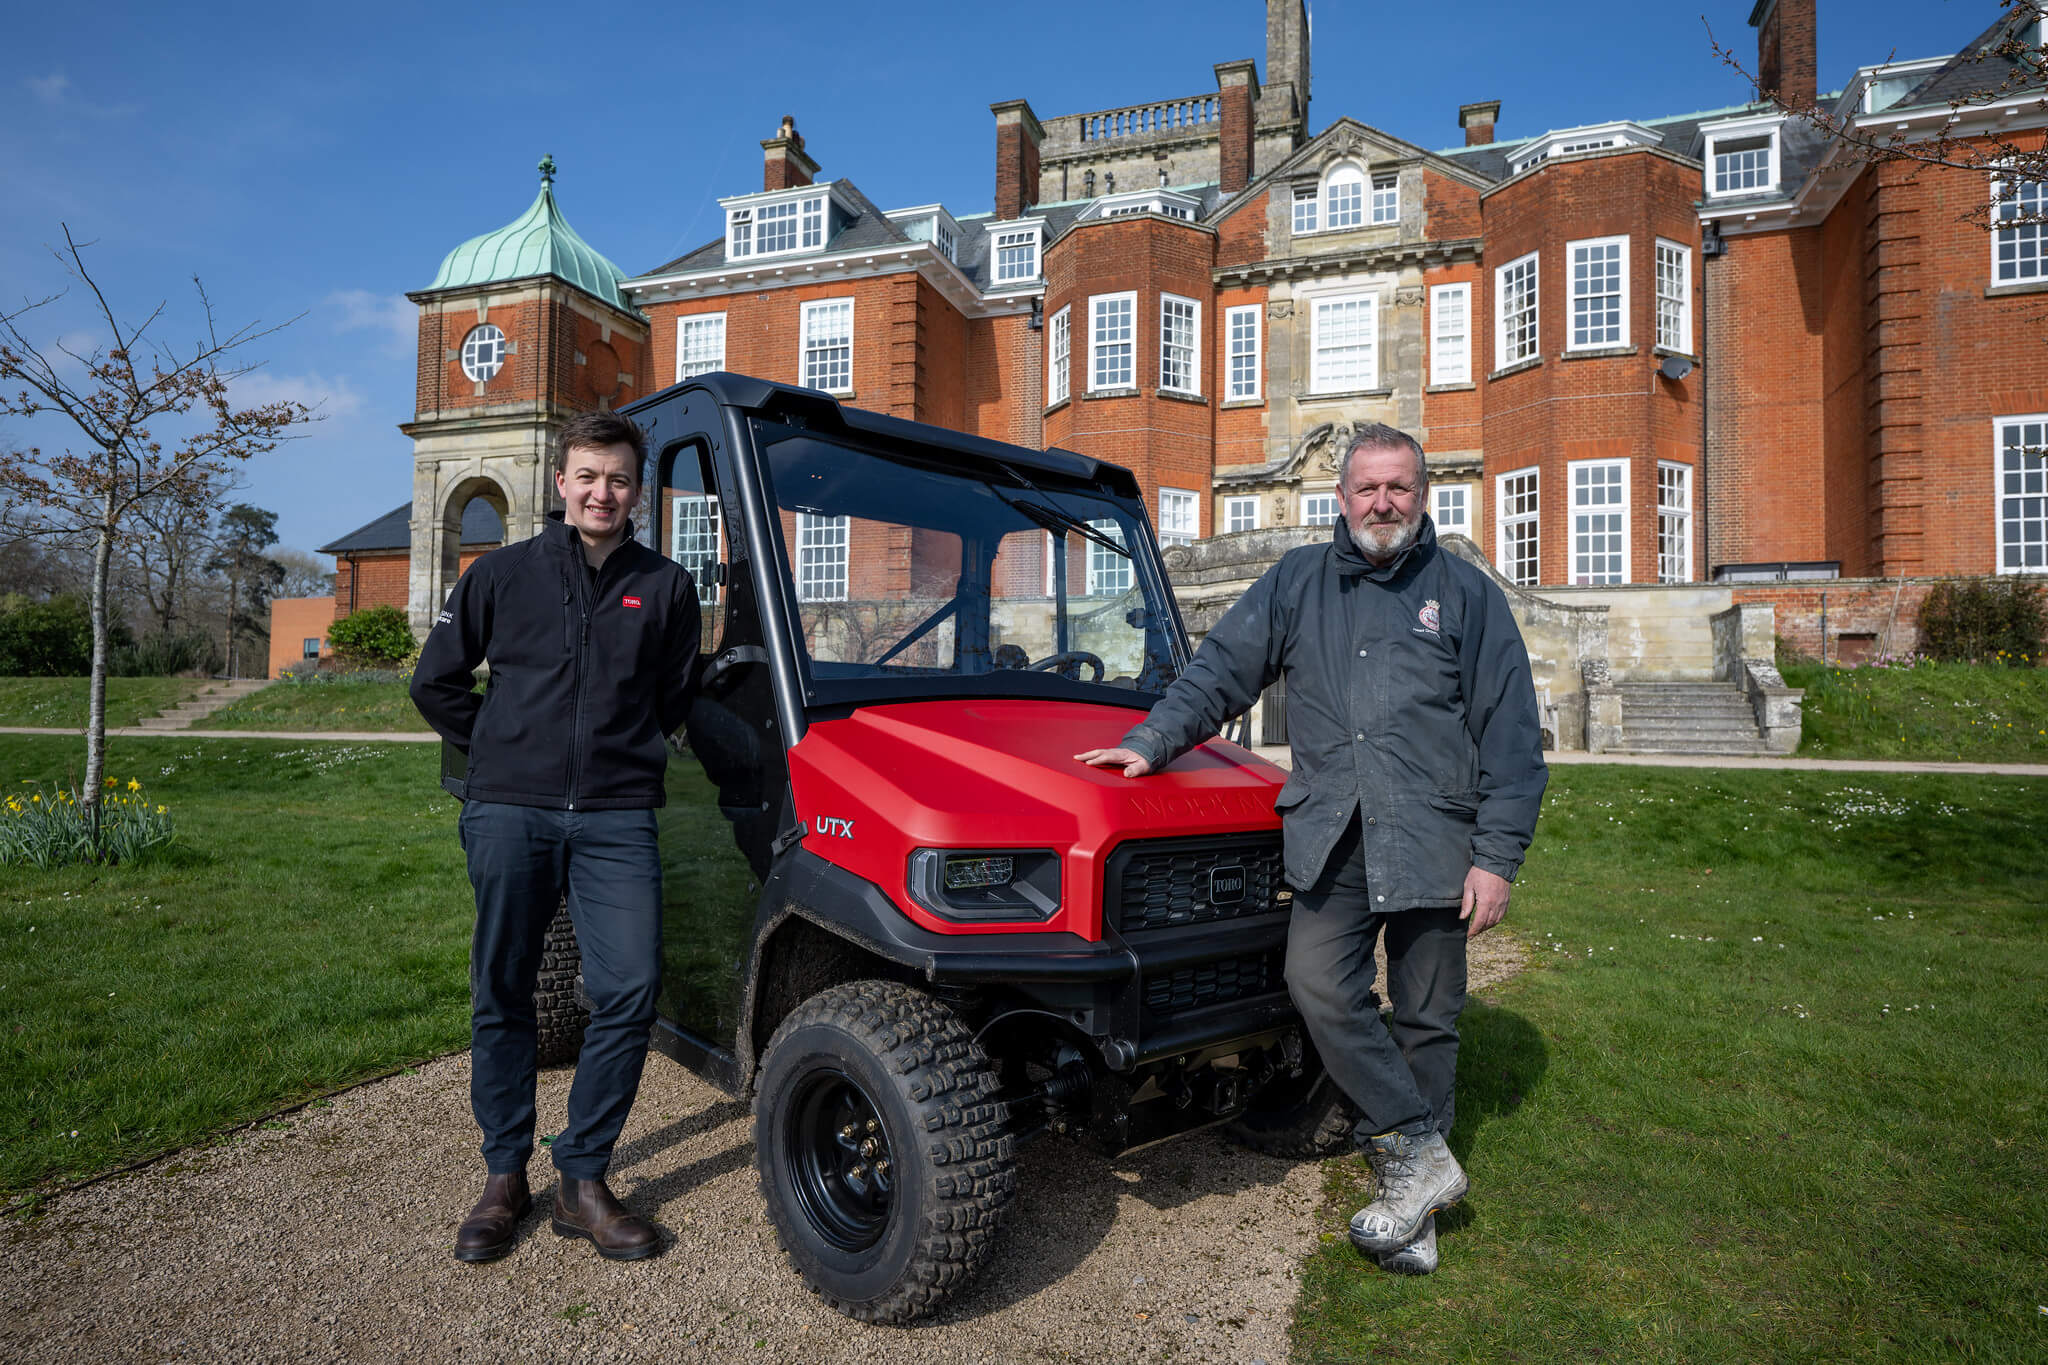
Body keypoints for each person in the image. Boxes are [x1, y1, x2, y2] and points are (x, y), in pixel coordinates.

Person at [1076, 423, 1545, 1275]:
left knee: (1429, 1019)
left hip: (1439, 840)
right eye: (1367, 488)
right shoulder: (1297, 582)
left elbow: (1512, 738)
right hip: (1334, 835)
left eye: (1398, 487)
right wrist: (1151, 741)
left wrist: (1497, 856)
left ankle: (1413, 1214)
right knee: (1318, 986)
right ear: (1340, 497)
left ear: (1423, 493)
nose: (1382, 502)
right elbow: (1220, 669)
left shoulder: (1468, 595)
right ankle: (1417, 1150)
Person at [411, 410, 701, 1264]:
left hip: (616, 817)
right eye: (586, 476)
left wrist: (624, 751)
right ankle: (505, 1173)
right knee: (503, 986)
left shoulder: (668, 586)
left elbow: (673, 698)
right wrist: (503, 748)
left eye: (616, 478)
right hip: (511, 811)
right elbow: (437, 682)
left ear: (635, 491)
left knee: (630, 986)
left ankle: (582, 1177)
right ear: (561, 484)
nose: (600, 491)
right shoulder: (500, 573)